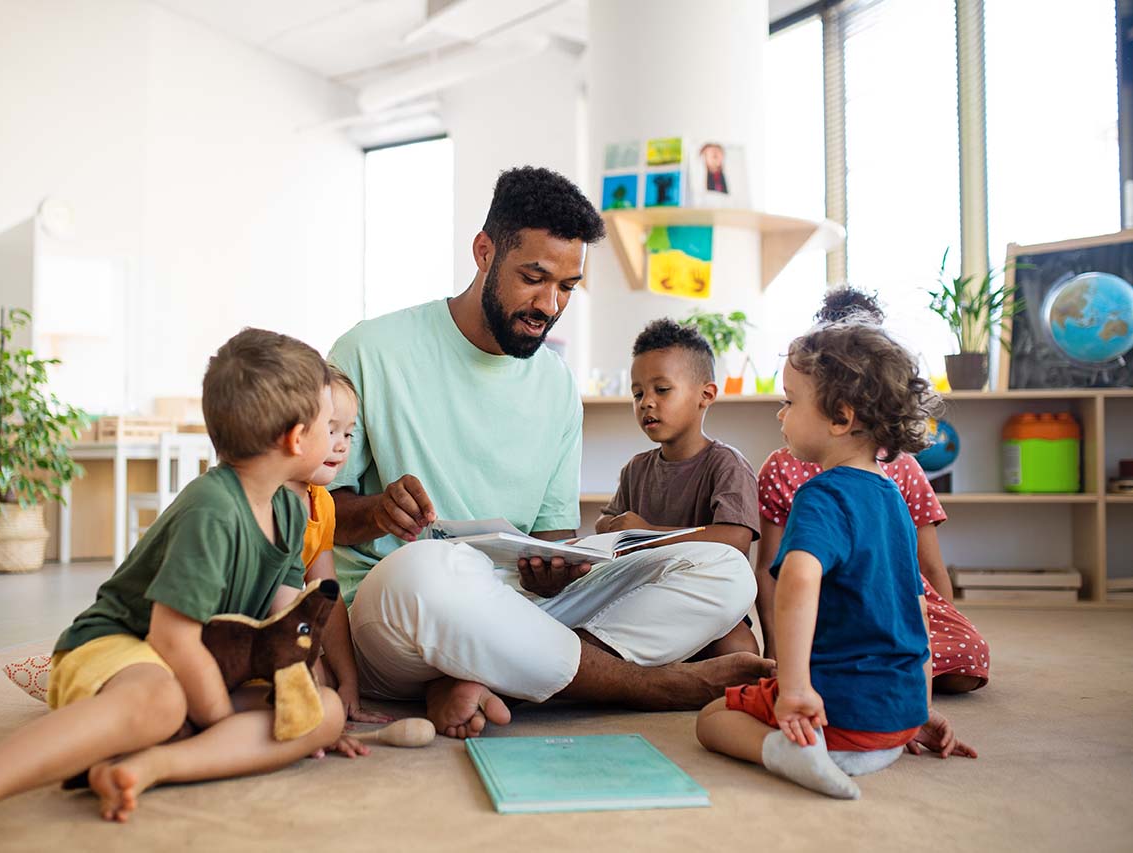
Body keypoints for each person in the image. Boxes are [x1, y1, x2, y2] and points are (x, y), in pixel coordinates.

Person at [328, 166, 770, 740]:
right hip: (401, 613)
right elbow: (310, 512)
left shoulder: (557, 384)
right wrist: (377, 512)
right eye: (533, 277)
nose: (550, 304)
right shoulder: (370, 350)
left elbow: (554, 538)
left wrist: (557, 571)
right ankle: (650, 685)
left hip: (520, 610)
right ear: (483, 252)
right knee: (425, 571)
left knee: (727, 571)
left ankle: (485, 675)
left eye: (567, 286)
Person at [0, 329, 348, 851]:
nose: (338, 440)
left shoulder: (289, 507)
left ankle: (153, 764)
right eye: (331, 427)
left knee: (322, 712)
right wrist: (216, 718)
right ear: (296, 438)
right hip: (121, 645)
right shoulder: (213, 510)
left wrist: (302, 689)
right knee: (164, 700)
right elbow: (171, 640)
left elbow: (284, 622)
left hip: (205, 663)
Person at [696, 323, 976, 800]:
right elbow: (917, 609)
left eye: (789, 401)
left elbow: (799, 579)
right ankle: (871, 737)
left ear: (841, 418)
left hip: (835, 717)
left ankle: (789, 754)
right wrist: (916, 709)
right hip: (895, 720)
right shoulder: (893, 499)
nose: (780, 414)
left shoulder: (821, 495)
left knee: (711, 719)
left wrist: (796, 688)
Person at [754, 287, 990, 693]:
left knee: (970, 658)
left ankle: (868, 672)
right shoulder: (788, 471)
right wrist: (778, 653)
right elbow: (776, 570)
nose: (781, 411)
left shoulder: (891, 476)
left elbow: (925, 574)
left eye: (789, 402)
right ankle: (881, 675)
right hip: (837, 609)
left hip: (884, 604)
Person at [596, 318, 761, 657]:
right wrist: (614, 528)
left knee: (740, 651)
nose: (646, 403)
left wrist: (647, 533)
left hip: (704, 600)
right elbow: (606, 525)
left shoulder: (726, 464)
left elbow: (736, 539)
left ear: (706, 394)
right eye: (638, 393)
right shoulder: (636, 468)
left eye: (662, 389)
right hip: (643, 597)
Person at [287, 366, 390, 734]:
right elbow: (276, 611)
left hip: (277, 627)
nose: (342, 444)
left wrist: (350, 682)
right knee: (315, 690)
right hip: (235, 632)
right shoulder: (270, 503)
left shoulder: (321, 504)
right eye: (331, 430)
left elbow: (325, 598)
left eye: (348, 432)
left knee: (329, 688)